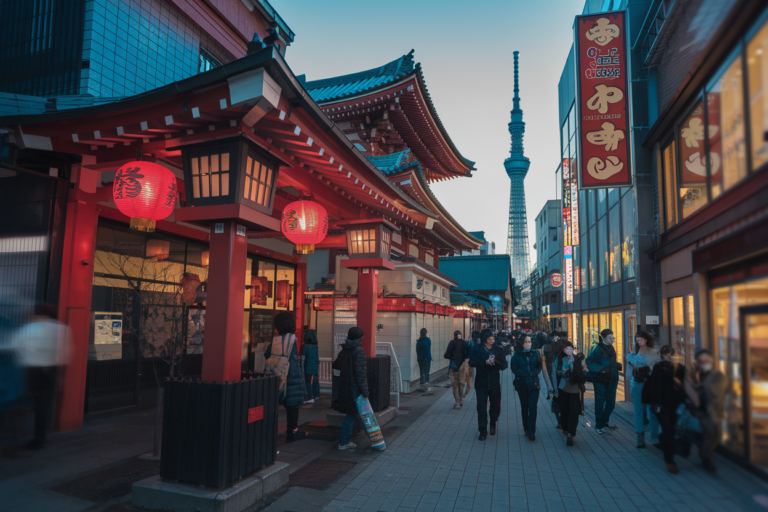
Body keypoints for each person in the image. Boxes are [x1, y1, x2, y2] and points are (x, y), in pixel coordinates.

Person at [12, 304, 70, 450]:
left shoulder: (29, 328)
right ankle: (40, 437)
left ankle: (26, 433)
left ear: (37, 314)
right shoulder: (61, 329)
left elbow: (17, 347)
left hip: (31, 369)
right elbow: (66, 353)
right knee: (43, 405)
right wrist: (62, 377)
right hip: (50, 370)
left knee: (30, 401)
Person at [642, 345, 685, 474]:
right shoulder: (659, 368)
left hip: (677, 405)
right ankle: (669, 461)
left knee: (672, 430)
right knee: (669, 431)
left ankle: (664, 443)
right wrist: (655, 404)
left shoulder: (680, 369)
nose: (670, 358)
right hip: (662, 405)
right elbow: (653, 387)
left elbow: (686, 386)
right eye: (667, 355)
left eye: (672, 355)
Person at [265, 312, 306, 442]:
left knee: (272, 404)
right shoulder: (292, 339)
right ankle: (292, 431)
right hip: (292, 375)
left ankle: (269, 431)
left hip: (277, 374)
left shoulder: (276, 340)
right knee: (292, 406)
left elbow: (267, 354)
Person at [686, 348, 728, 472]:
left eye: (706, 359)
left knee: (716, 433)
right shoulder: (694, 373)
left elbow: (720, 389)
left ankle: (705, 454)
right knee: (710, 431)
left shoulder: (716, 374)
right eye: (701, 360)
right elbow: (690, 389)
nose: (704, 362)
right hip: (701, 410)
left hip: (715, 408)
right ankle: (706, 458)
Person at [334, 326, 369, 450]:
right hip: (354, 389)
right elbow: (360, 374)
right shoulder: (358, 351)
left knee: (351, 414)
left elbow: (336, 365)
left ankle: (345, 441)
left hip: (344, 388)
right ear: (359, 338)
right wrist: (365, 391)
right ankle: (344, 442)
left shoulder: (344, 350)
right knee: (351, 415)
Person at [469, 329, 508, 440]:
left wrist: (497, 361)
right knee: (481, 407)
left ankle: (493, 422)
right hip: (481, 382)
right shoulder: (477, 349)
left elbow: (504, 366)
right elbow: (471, 363)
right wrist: (484, 362)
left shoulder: (498, 349)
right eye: (490, 339)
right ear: (485, 339)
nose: (492, 340)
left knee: (495, 406)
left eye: (493, 338)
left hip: (494, 382)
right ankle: (482, 431)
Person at [626, 330, 660, 448]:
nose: (637, 340)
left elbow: (657, 368)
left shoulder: (654, 352)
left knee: (653, 410)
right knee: (638, 411)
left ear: (646, 340)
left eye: (640, 338)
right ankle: (640, 437)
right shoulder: (633, 353)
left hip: (650, 384)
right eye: (637, 338)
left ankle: (655, 437)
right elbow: (629, 371)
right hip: (637, 384)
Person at [586, 329, 622, 434]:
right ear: (604, 338)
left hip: (612, 378)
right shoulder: (596, 348)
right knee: (600, 401)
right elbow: (589, 362)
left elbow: (611, 363)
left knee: (611, 403)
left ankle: (604, 421)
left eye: (613, 338)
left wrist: (614, 366)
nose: (613, 340)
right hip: (600, 378)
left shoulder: (611, 348)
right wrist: (606, 367)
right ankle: (599, 425)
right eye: (610, 338)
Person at [555, 342, 588, 446]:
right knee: (564, 410)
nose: (569, 350)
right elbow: (556, 371)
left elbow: (583, 371)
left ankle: (571, 434)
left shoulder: (576, 359)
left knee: (574, 412)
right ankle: (565, 428)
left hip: (574, 388)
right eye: (566, 348)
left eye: (570, 348)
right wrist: (562, 372)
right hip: (563, 387)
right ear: (563, 350)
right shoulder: (560, 358)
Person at [510, 335, 542, 441]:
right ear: (522, 343)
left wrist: (534, 373)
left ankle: (531, 431)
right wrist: (525, 373)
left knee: (532, 407)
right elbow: (514, 368)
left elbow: (539, 366)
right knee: (525, 407)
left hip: (534, 384)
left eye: (529, 341)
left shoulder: (536, 353)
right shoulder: (517, 355)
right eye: (525, 342)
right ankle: (526, 428)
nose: (528, 344)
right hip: (522, 385)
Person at [445, 330, 468, 409]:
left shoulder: (452, 343)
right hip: (462, 367)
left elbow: (446, 355)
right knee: (461, 383)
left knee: (455, 385)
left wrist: (452, 356)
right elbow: (467, 354)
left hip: (453, 367)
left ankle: (457, 402)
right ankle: (460, 398)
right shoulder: (465, 343)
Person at [301, 328, 320, 404]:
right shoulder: (316, 346)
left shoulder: (306, 346)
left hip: (307, 366)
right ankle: (316, 395)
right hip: (315, 366)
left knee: (307, 382)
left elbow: (303, 358)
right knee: (315, 380)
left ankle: (309, 396)